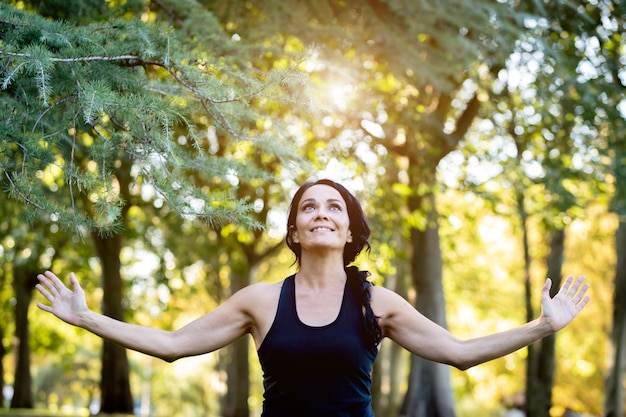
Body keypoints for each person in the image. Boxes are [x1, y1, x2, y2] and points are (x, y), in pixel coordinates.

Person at [36, 178, 591, 417]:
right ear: (296, 233)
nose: (322, 213)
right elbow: (173, 345)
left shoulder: (380, 304)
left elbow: (461, 352)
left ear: (349, 232)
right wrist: (87, 318)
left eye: (334, 208)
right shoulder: (260, 300)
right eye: (309, 208)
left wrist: (543, 327)